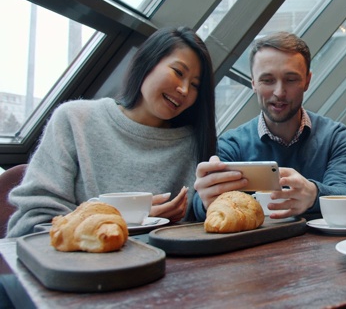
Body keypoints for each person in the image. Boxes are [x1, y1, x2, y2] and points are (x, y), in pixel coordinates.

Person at [7, 27, 217, 237]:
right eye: (178, 72)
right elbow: (30, 224)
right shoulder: (75, 119)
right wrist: (123, 220)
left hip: (161, 266)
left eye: (195, 85)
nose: (184, 89)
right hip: (74, 264)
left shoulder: (194, 144)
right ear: (147, 62)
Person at [193, 31, 346, 220]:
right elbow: (202, 206)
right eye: (268, 80)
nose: (279, 92)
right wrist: (205, 202)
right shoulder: (232, 144)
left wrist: (313, 194)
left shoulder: (335, 137)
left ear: (307, 81)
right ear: (254, 83)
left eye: (291, 79)